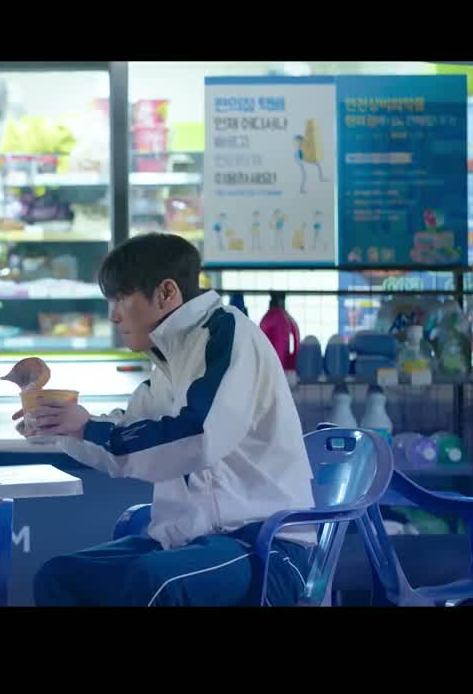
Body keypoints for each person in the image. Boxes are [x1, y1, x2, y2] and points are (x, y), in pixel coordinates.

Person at [20, 233, 315, 606]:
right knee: (60, 576)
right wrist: (63, 429)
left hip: (264, 546)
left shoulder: (227, 334)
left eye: (120, 298)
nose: (113, 315)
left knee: (155, 580)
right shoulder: (168, 360)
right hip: (188, 542)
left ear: (166, 292)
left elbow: (200, 436)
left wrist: (88, 428)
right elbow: (127, 439)